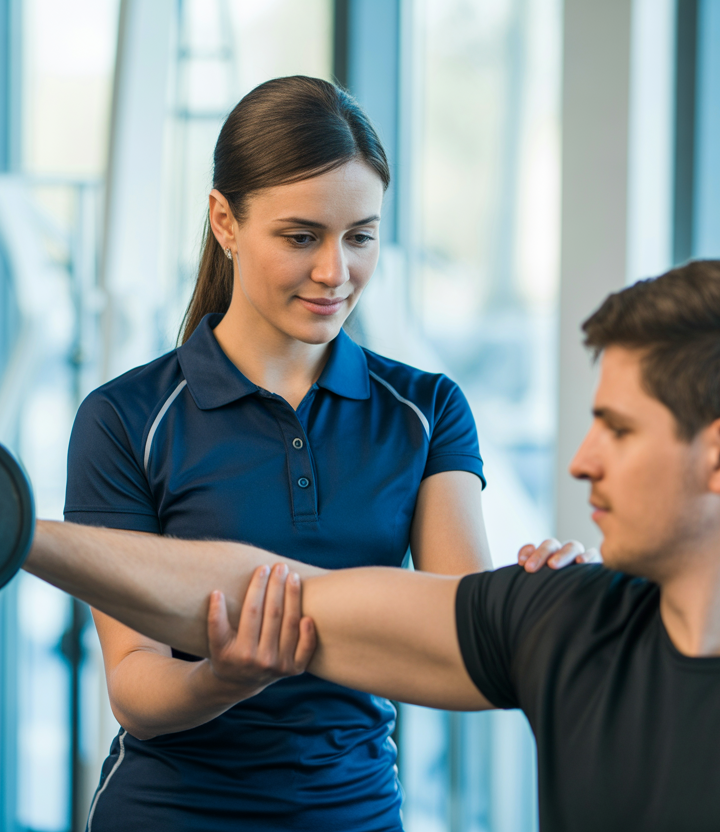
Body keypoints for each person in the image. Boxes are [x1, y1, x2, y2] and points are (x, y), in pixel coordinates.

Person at [32, 258, 720, 831]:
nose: (580, 461)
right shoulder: (566, 627)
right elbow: (270, 591)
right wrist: (13, 536)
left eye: (617, 430)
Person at [63, 75, 578, 831]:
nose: (335, 272)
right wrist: (222, 679)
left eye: (360, 236)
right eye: (301, 237)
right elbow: (134, 686)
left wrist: (537, 599)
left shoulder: (426, 412)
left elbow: (462, 633)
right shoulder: (124, 419)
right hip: (173, 813)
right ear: (225, 222)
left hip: (355, 813)